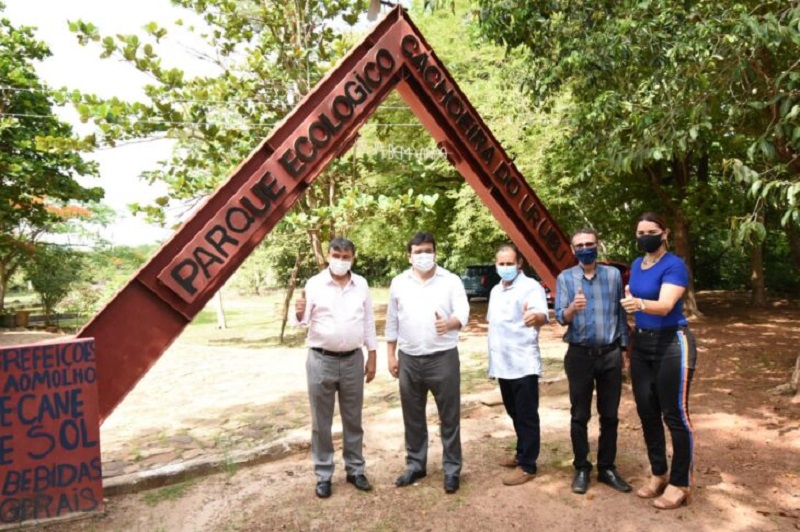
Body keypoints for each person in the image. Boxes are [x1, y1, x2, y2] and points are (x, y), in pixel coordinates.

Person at [620, 213, 698, 510]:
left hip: (672, 343)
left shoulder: (674, 265)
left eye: (651, 231)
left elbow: (665, 305)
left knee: (675, 414)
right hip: (641, 344)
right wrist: (633, 305)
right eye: (640, 232)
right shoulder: (637, 265)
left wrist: (639, 303)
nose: (644, 236)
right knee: (647, 411)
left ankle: (681, 483)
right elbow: (637, 300)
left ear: (664, 234)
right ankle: (659, 472)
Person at [386, 231, 470, 494]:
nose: (424, 256)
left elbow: (463, 311)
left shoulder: (451, 280)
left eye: (428, 251)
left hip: (443, 357)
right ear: (409, 255)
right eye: (418, 251)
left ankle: (452, 469)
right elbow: (392, 320)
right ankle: (415, 465)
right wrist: (391, 353)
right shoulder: (398, 283)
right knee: (412, 416)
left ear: (435, 252)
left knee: (449, 417)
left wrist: (450, 323)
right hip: (409, 359)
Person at [294, 237, 378, 499]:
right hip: (321, 359)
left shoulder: (361, 284)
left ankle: (355, 469)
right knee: (321, 422)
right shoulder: (315, 284)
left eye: (346, 256)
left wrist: (372, 354)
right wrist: (298, 313)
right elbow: (302, 321)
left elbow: (368, 322)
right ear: (328, 256)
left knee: (353, 419)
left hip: (353, 359)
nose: (341, 260)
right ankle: (323, 474)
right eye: (336, 255)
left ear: (353, 257)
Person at [555, 228, 631, 495]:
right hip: (579, 355)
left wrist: (624, 349)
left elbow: (620, 314)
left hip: (609, 353)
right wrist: (572, 308)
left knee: (609, 415)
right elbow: (560, 318)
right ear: (573, 249)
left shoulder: (612, 276)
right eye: (579, 245)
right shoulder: (565, 278)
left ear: (597, 245)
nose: (585, 248)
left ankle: (607, 467)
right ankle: (582, 468)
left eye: (589, 243)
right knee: (580, 415)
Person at [488, 244, 549, 486]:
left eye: (509, 263)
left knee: (526, 414)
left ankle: (528, 465)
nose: (505, 268)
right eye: (501, 264)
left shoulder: (530, 287)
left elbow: (541, 315)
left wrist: (535, 317)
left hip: (523, 362)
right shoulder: (494, 290)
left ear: (520, 263)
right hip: (503, 363)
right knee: (514, 411)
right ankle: (521, 451)